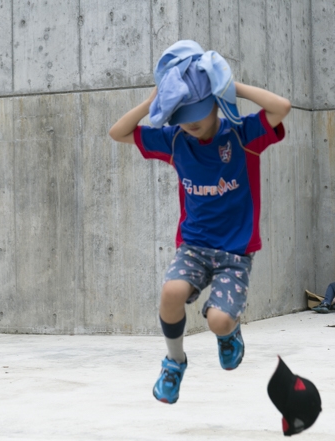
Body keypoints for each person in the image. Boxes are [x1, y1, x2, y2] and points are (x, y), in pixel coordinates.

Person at [109, 40, 291, 404]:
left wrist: (228, 86)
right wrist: (152, 102)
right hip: (193, 246)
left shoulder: (242, 135)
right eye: (180, 115)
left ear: (214, 103)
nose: (189, 123)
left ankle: (229, 333)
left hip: (235, 253)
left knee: (218, 321)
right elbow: (119, 132)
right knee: (171, 293)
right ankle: (174, 362)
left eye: (196, 112)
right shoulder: (176, 140)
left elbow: (281, 107)